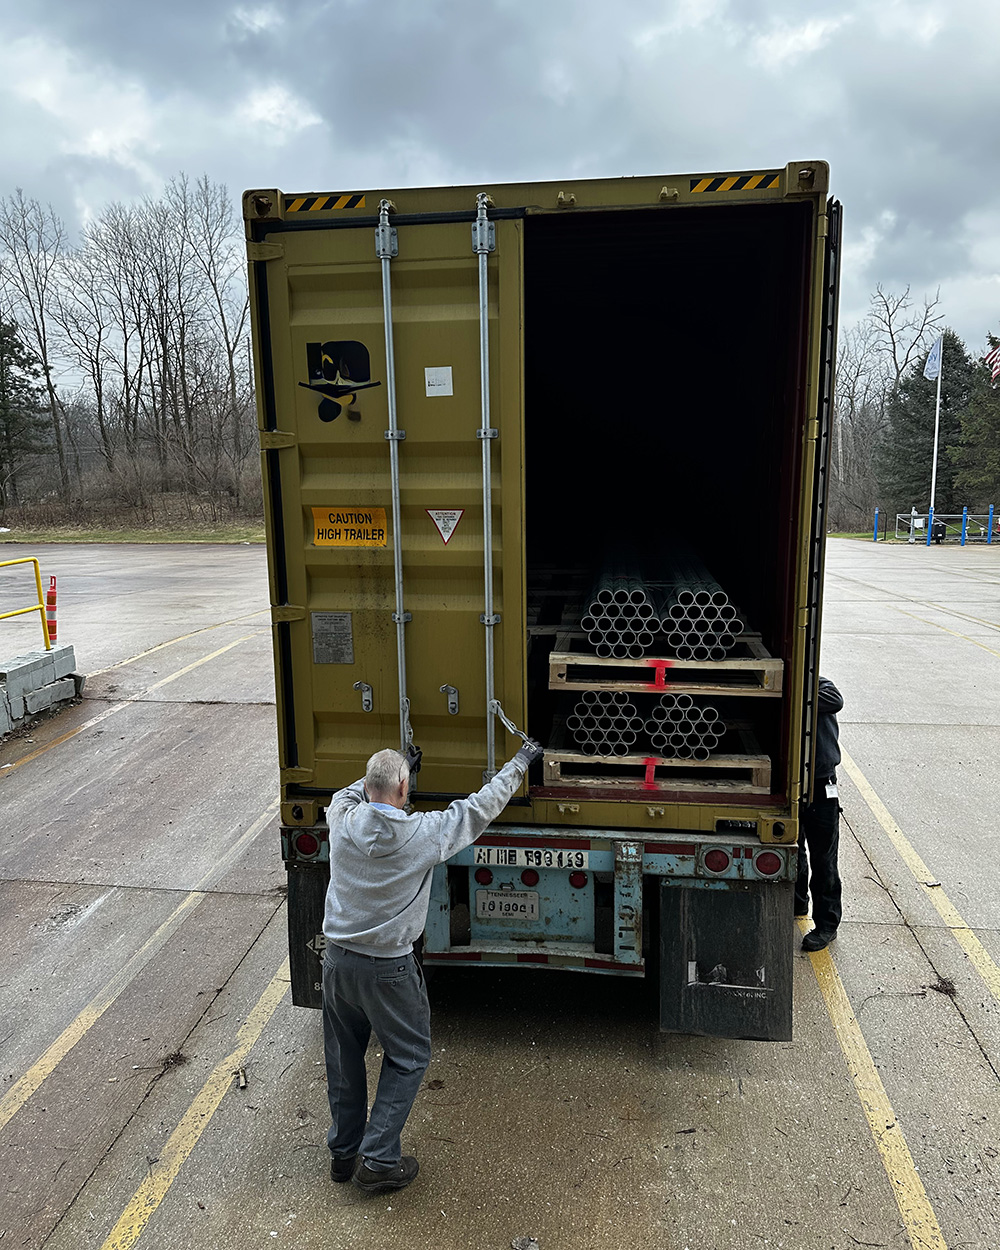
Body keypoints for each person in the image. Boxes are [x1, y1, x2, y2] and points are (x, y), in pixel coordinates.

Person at [322, 738, 542, 1194]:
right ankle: (379, 1157)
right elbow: (479, 808)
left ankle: (344, 1154)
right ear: (405, 788)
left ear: (366, 786)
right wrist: (519, 762)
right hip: (388, 970)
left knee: (345, 1056)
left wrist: (390, 768)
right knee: (409, 1055)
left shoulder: (341, 822)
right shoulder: (423, 834)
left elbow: (347, 794)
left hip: (338, 963)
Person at [795, 676, 844, 952]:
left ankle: (827, 924)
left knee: (824, 858)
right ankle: (798, 900)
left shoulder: (822, 687)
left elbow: (836, 701)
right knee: (795, 848)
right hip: (792, 785)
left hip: (821, 785)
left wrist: (796, 695)